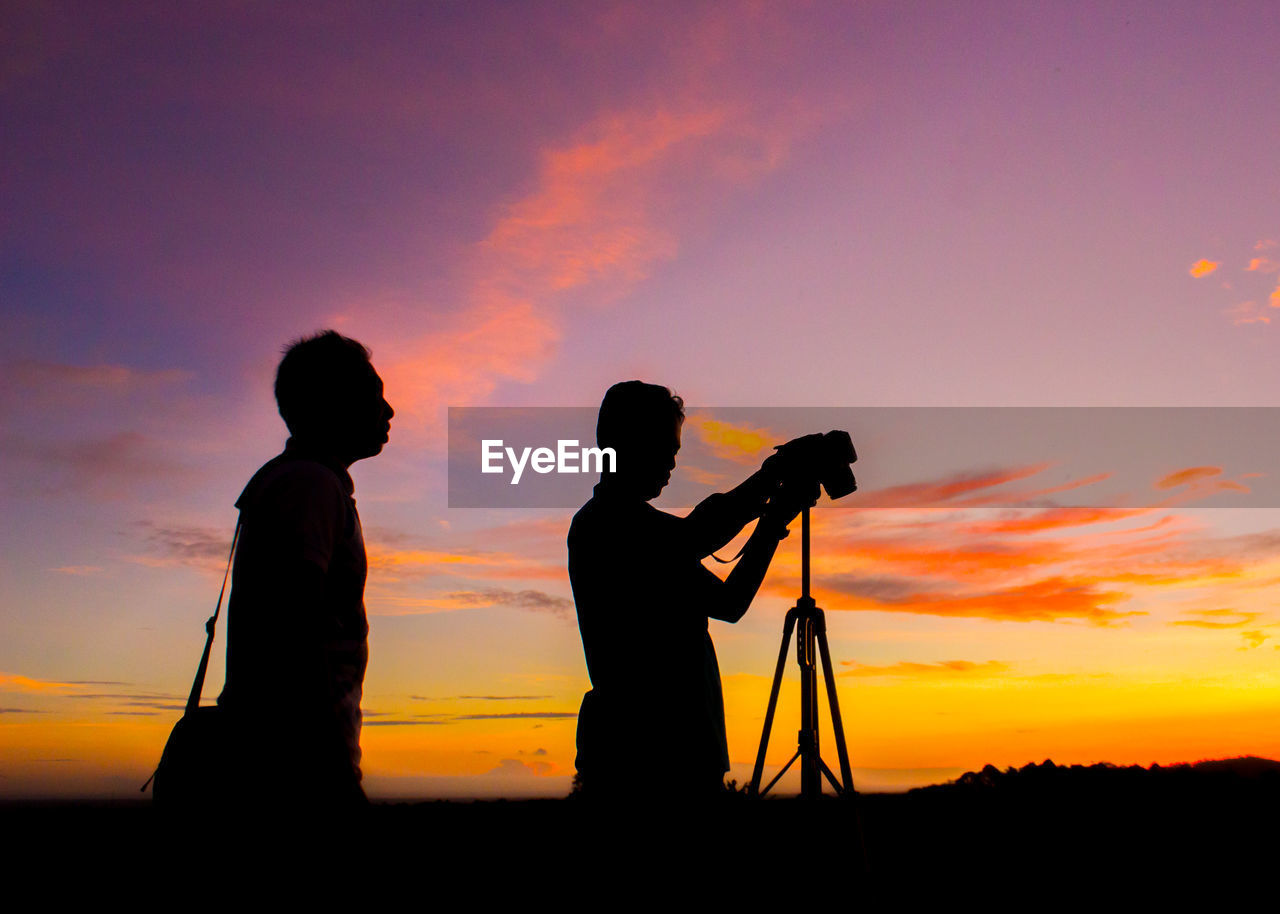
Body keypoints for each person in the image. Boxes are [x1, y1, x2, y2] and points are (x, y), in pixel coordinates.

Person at [567, 381, 812, 801]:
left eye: (675, 450)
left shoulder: (643, 531)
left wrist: (772, 524)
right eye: (664, 447)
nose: (671, 463)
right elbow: (697, 534)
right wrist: (771, 479)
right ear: (623, 444)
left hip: (684, 754)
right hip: (644, 763)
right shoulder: (606, 526)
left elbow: (728, 604)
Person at [216, 330, 393, 809]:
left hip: (289, 757)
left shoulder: (304, 480)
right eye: (375, 396)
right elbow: (297, 625)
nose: (389, 410)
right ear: (336, 402)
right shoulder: (309, 485)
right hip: (293, 766)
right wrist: (331, 769)